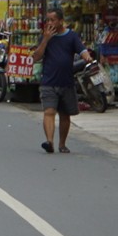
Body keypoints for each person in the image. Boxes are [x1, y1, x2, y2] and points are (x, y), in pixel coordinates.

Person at [35, 9, 93, 154]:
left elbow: (82, 50)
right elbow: (36, 56)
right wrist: (46, 40)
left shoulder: (71, 36)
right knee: (49, 111)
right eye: (47, 20)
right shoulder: (44, 37)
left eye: (52, 20)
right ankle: (49, 142)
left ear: (61, 21)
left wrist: (87, 56)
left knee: (65, 114)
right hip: (48, 82)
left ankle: (62, 144)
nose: (49, 23)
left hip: (66, 82)